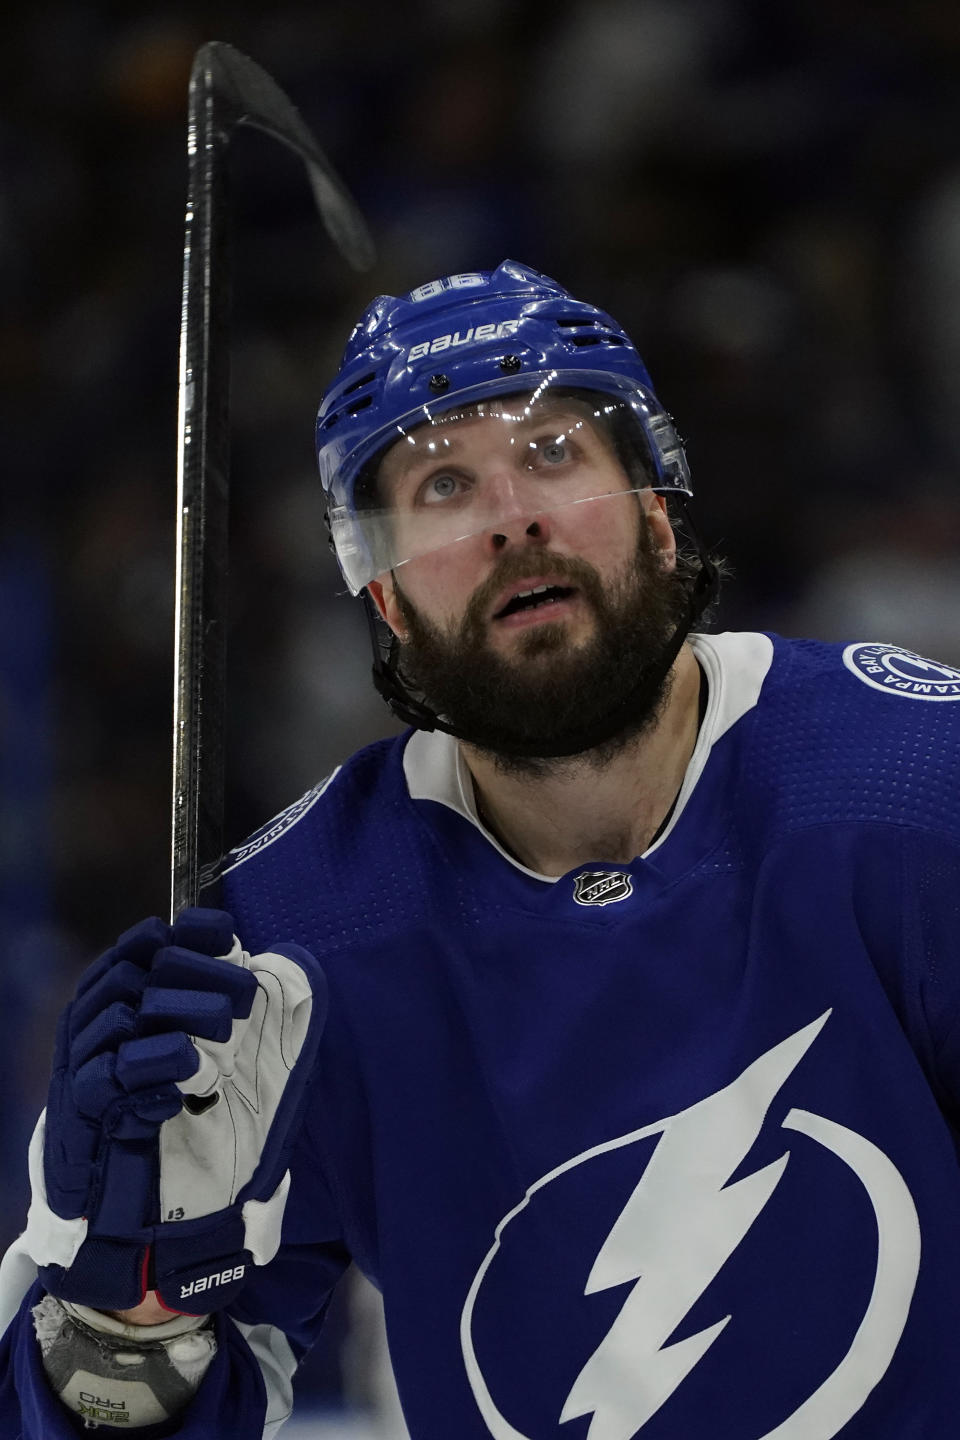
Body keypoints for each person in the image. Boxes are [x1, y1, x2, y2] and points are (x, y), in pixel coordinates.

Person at [3, 258, 960, 1439]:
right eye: (444, 486)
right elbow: (117, 1418)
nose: (513, 516)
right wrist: (132, 1298)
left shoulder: (922, 788)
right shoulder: (286, 948)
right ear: (389, 595)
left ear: (657, 514)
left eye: (555, 454)